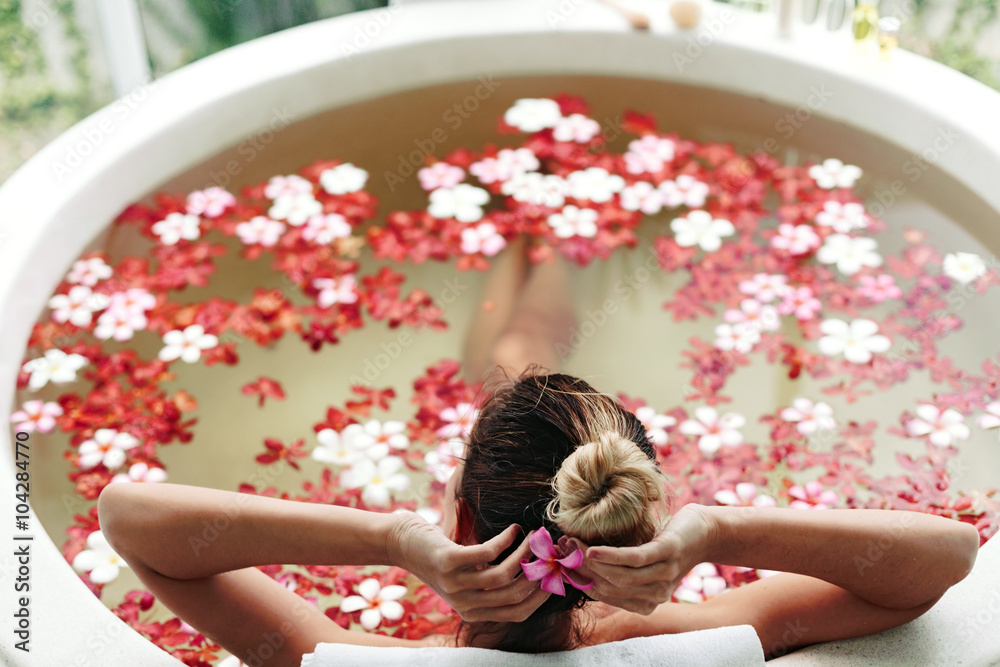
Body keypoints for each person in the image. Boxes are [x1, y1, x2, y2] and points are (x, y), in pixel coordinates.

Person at [98, 241, 981, 667]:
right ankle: (552, 242)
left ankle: (534, 242)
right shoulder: (697, 641)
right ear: (639, 528)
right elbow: (942, 557)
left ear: (458, 518)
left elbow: (134, 522)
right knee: (521, 357)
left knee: (513, 360)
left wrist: (392, 544)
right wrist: (714, 531)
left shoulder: (354, 660)